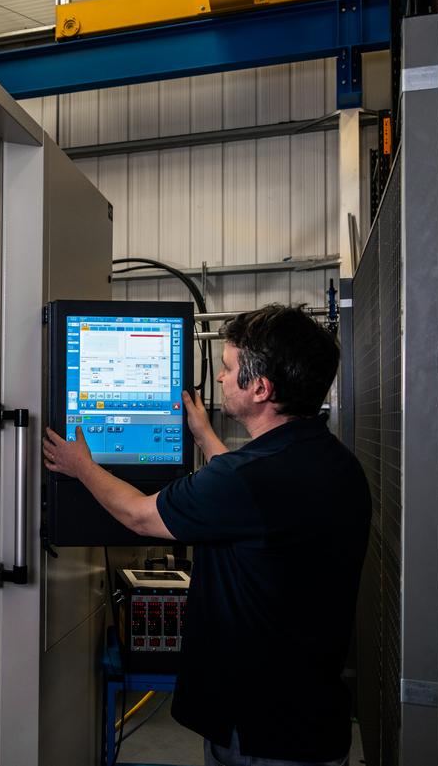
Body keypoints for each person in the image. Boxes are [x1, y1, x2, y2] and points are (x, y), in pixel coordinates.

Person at [43, 304, 370, 766]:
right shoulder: (334, 464)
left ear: (260, 388)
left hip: (259, 736)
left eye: (228, 368)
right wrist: (203, 435)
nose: (219, 378)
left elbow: (140, 516)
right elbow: (250, 497)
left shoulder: (249, 479)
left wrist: (83, 467)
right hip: (312, 722)